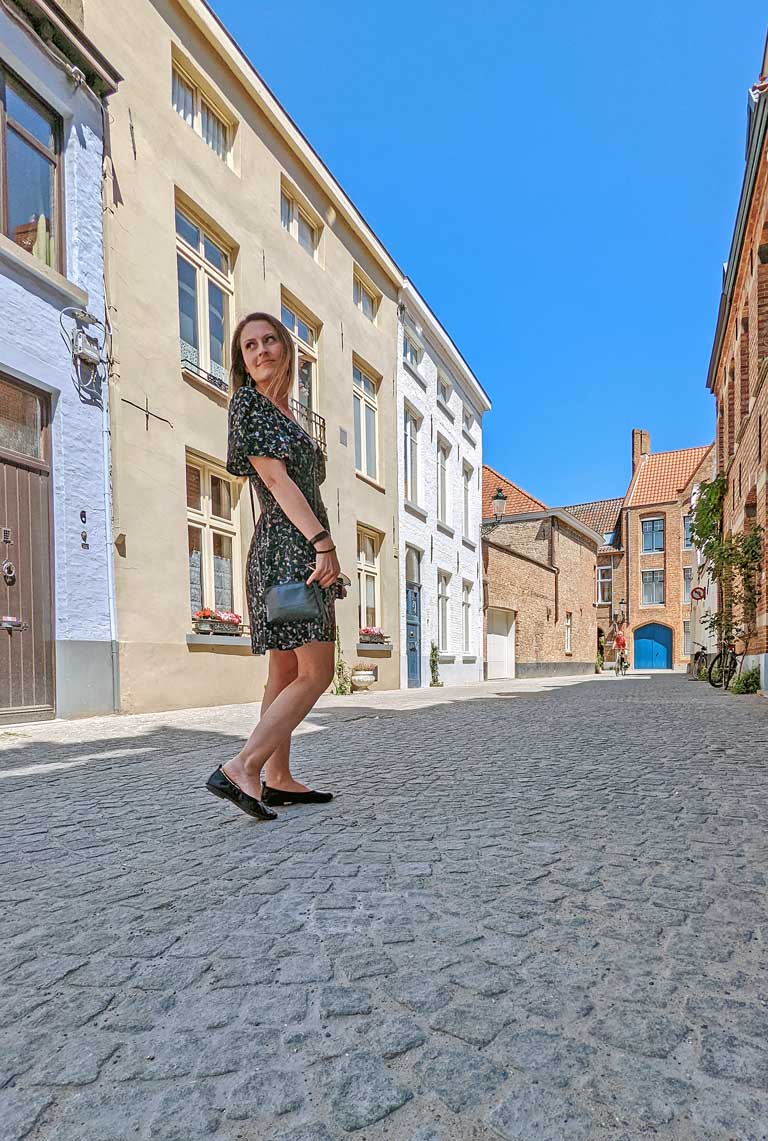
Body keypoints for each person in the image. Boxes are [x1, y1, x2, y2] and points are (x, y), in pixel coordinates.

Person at [205, 312, 343, 821]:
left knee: (285, 668)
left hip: (290, 545)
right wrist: (322, 543)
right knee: (317, 670)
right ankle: (244, 765)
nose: (260, 350)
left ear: (286, 349)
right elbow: (279, 484)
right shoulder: (248, 405)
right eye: (248, 346)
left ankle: (277, 778)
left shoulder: (285, 414)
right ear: (242, 361)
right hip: (291, 548)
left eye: (269, 341)